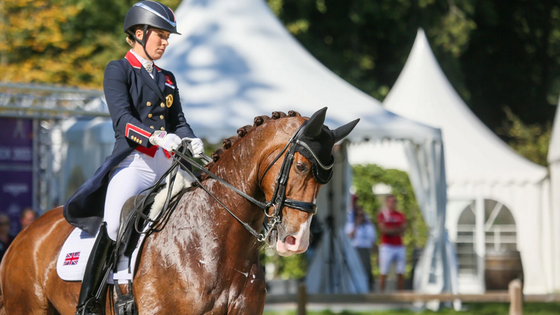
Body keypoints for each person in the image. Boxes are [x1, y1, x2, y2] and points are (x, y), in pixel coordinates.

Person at [62, 1, 205, 314]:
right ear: (139, 33)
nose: (165, 42)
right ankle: (90, 301)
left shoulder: (167, 77)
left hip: (167, 166)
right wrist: (154, 136)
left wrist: (191, 140)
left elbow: (178, 120)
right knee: (114, 225)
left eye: (168, 36)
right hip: (135, 162)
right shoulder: (119, 69)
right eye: (161, 35)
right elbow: (122, 120)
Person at [377, 194, 407, 292]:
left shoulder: (400, 215)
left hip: (399, 245)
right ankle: (382, 294)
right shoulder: (383, 215)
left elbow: (404, 228)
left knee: (400, 272)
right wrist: (396, 230)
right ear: (387, 202)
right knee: (384, 271)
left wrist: (391, 230)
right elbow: (384, 230)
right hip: (387, 246)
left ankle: (400, 294)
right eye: (391, 201)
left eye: (394, 201)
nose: (392, 203)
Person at [345, 205, 376, 291]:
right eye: (358, 215)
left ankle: (369, 288)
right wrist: (356, 225)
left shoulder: (369, 226)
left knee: (367, 269)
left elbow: (373, 241)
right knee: (356, 269)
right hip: (355, 249)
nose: (360, 217)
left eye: (362, 215)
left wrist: (377, 255)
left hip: (365, 249)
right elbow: (349, 236)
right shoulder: (350, 225)